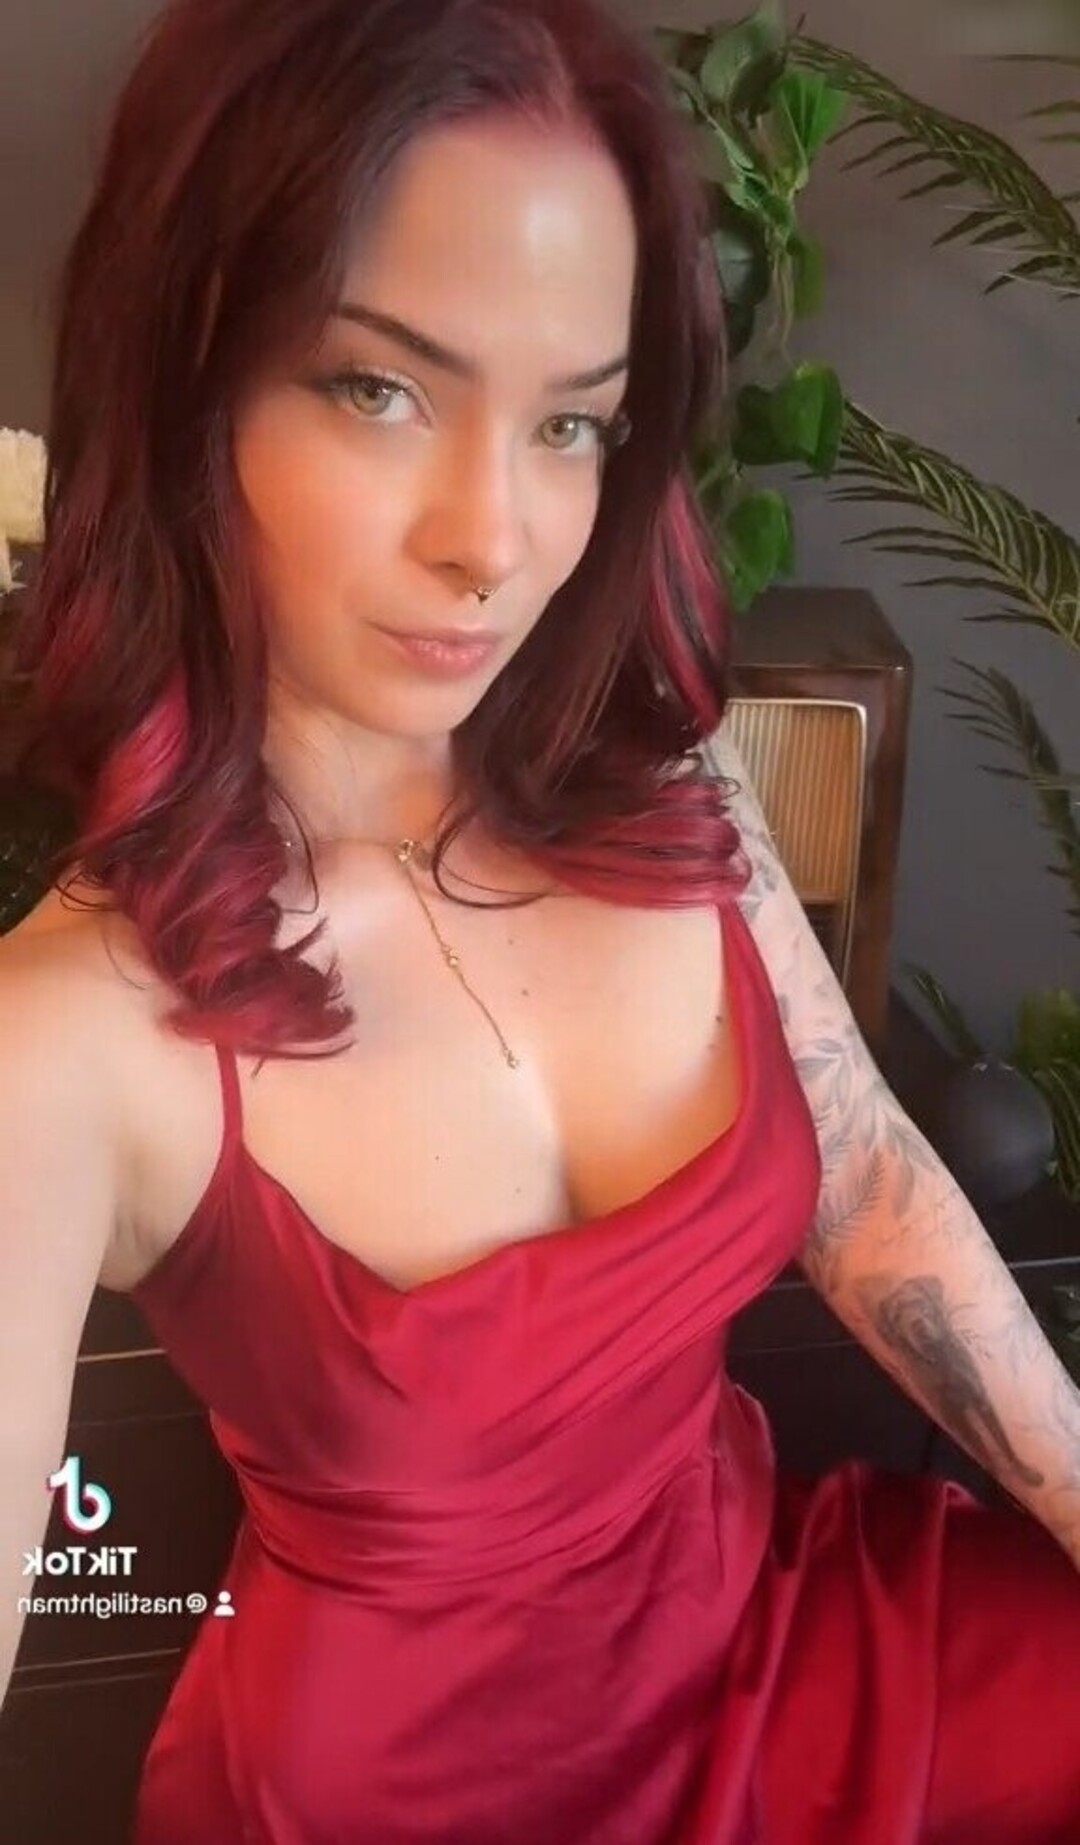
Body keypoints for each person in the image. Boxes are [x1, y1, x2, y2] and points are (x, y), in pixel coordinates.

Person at [1, 0, 1078, 1839]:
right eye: (380, 388)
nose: (491, 540)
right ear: (189, 380)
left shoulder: (664, 781)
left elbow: (864, 1175)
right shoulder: (67, 1031)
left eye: (572, 422)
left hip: (779, 1641)